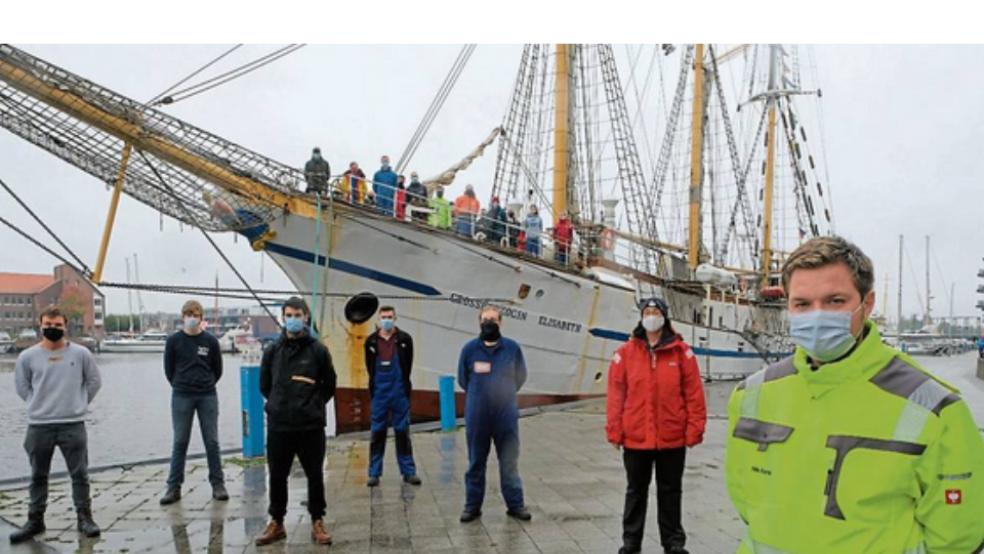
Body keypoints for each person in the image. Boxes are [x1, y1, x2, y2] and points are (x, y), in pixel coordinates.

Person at [724, 236, 984, 553]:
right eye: (802, 304)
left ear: (867, 304)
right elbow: (745, 499)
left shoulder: (935, 410)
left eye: (835, 301)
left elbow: (958, 536)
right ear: (788, 306)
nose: (817, 316)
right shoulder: (751, 395)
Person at [607, 297, 706, 554]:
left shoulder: (682, 353)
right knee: (635, 491)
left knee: (671, 491)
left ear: (664, 316)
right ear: (641, 316)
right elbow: (616, 394)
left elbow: (694, 392)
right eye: (647, 311)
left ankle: (673, 542)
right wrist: (614, 429)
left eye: (656, 311)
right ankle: (631, 541)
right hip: (636, 435)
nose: (651, 315)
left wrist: (695, 427)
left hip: (671, 435)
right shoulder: (625, 354)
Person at [11, 306, 102, 543]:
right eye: (48, 325)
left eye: (57, 325)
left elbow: (94, 382)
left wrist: (78, 403)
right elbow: (22, 386)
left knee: (80, 474)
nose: (53, 329)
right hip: (39, 425)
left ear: (65, 326)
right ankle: (35, 520)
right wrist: (36, 404)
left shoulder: (81, 354)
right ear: (40, 326)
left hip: (73, 424)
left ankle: (84, 518)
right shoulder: (27, 357)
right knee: (38, 475)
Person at [254, 297, 337, 546]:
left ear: (306, 317)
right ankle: (276, 522)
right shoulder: (272, 351)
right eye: (288, 314)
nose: (293, 319)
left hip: (310, 425)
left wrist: (312, 405)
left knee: (314, 475)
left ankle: (317, 521)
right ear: (283, 318)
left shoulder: (318, 350)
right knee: (277, 475)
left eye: (297, 314)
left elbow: (329, 385)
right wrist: (280, 404)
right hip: (280, 424)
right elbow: (265, 385)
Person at [457, 305, 531, 523]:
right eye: (486, 319)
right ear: (479, 322)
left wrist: (504, 395)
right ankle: (472, 507)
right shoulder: (469, 350)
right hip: (478, 415)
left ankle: (515, 505)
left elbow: (521, 376)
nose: (489, 323)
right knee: (475, 463)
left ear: (501, 323)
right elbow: (463, 379)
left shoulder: (512, 349)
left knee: (509, 461)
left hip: (505, 415)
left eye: (494, 320)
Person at [160, 300, 228, 506]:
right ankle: (174, 487)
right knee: (180, 441)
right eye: (188, 314)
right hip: (181, 395)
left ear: (201, 317)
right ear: (183, 317)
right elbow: (168, 369)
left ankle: (218, 484)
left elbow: (218, 369)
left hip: (207, 395)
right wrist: (180, 383)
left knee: (212, 441)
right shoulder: (174, 341)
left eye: (195, 314)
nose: (192, 318)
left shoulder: (210, 342)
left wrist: (205, 383)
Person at [364, 306, 422, 487]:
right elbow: (370, 367)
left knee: (402, 432)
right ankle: (374, 473)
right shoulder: (371, 342)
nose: (386, 320)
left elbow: (408, 365)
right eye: (383, 317)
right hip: (380, 393)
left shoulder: (405, 339)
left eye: (389, 317)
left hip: (399, 392)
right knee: (377, 433)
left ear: (395, 318)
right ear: (378, 319)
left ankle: (408, 471)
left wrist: (403, 387)